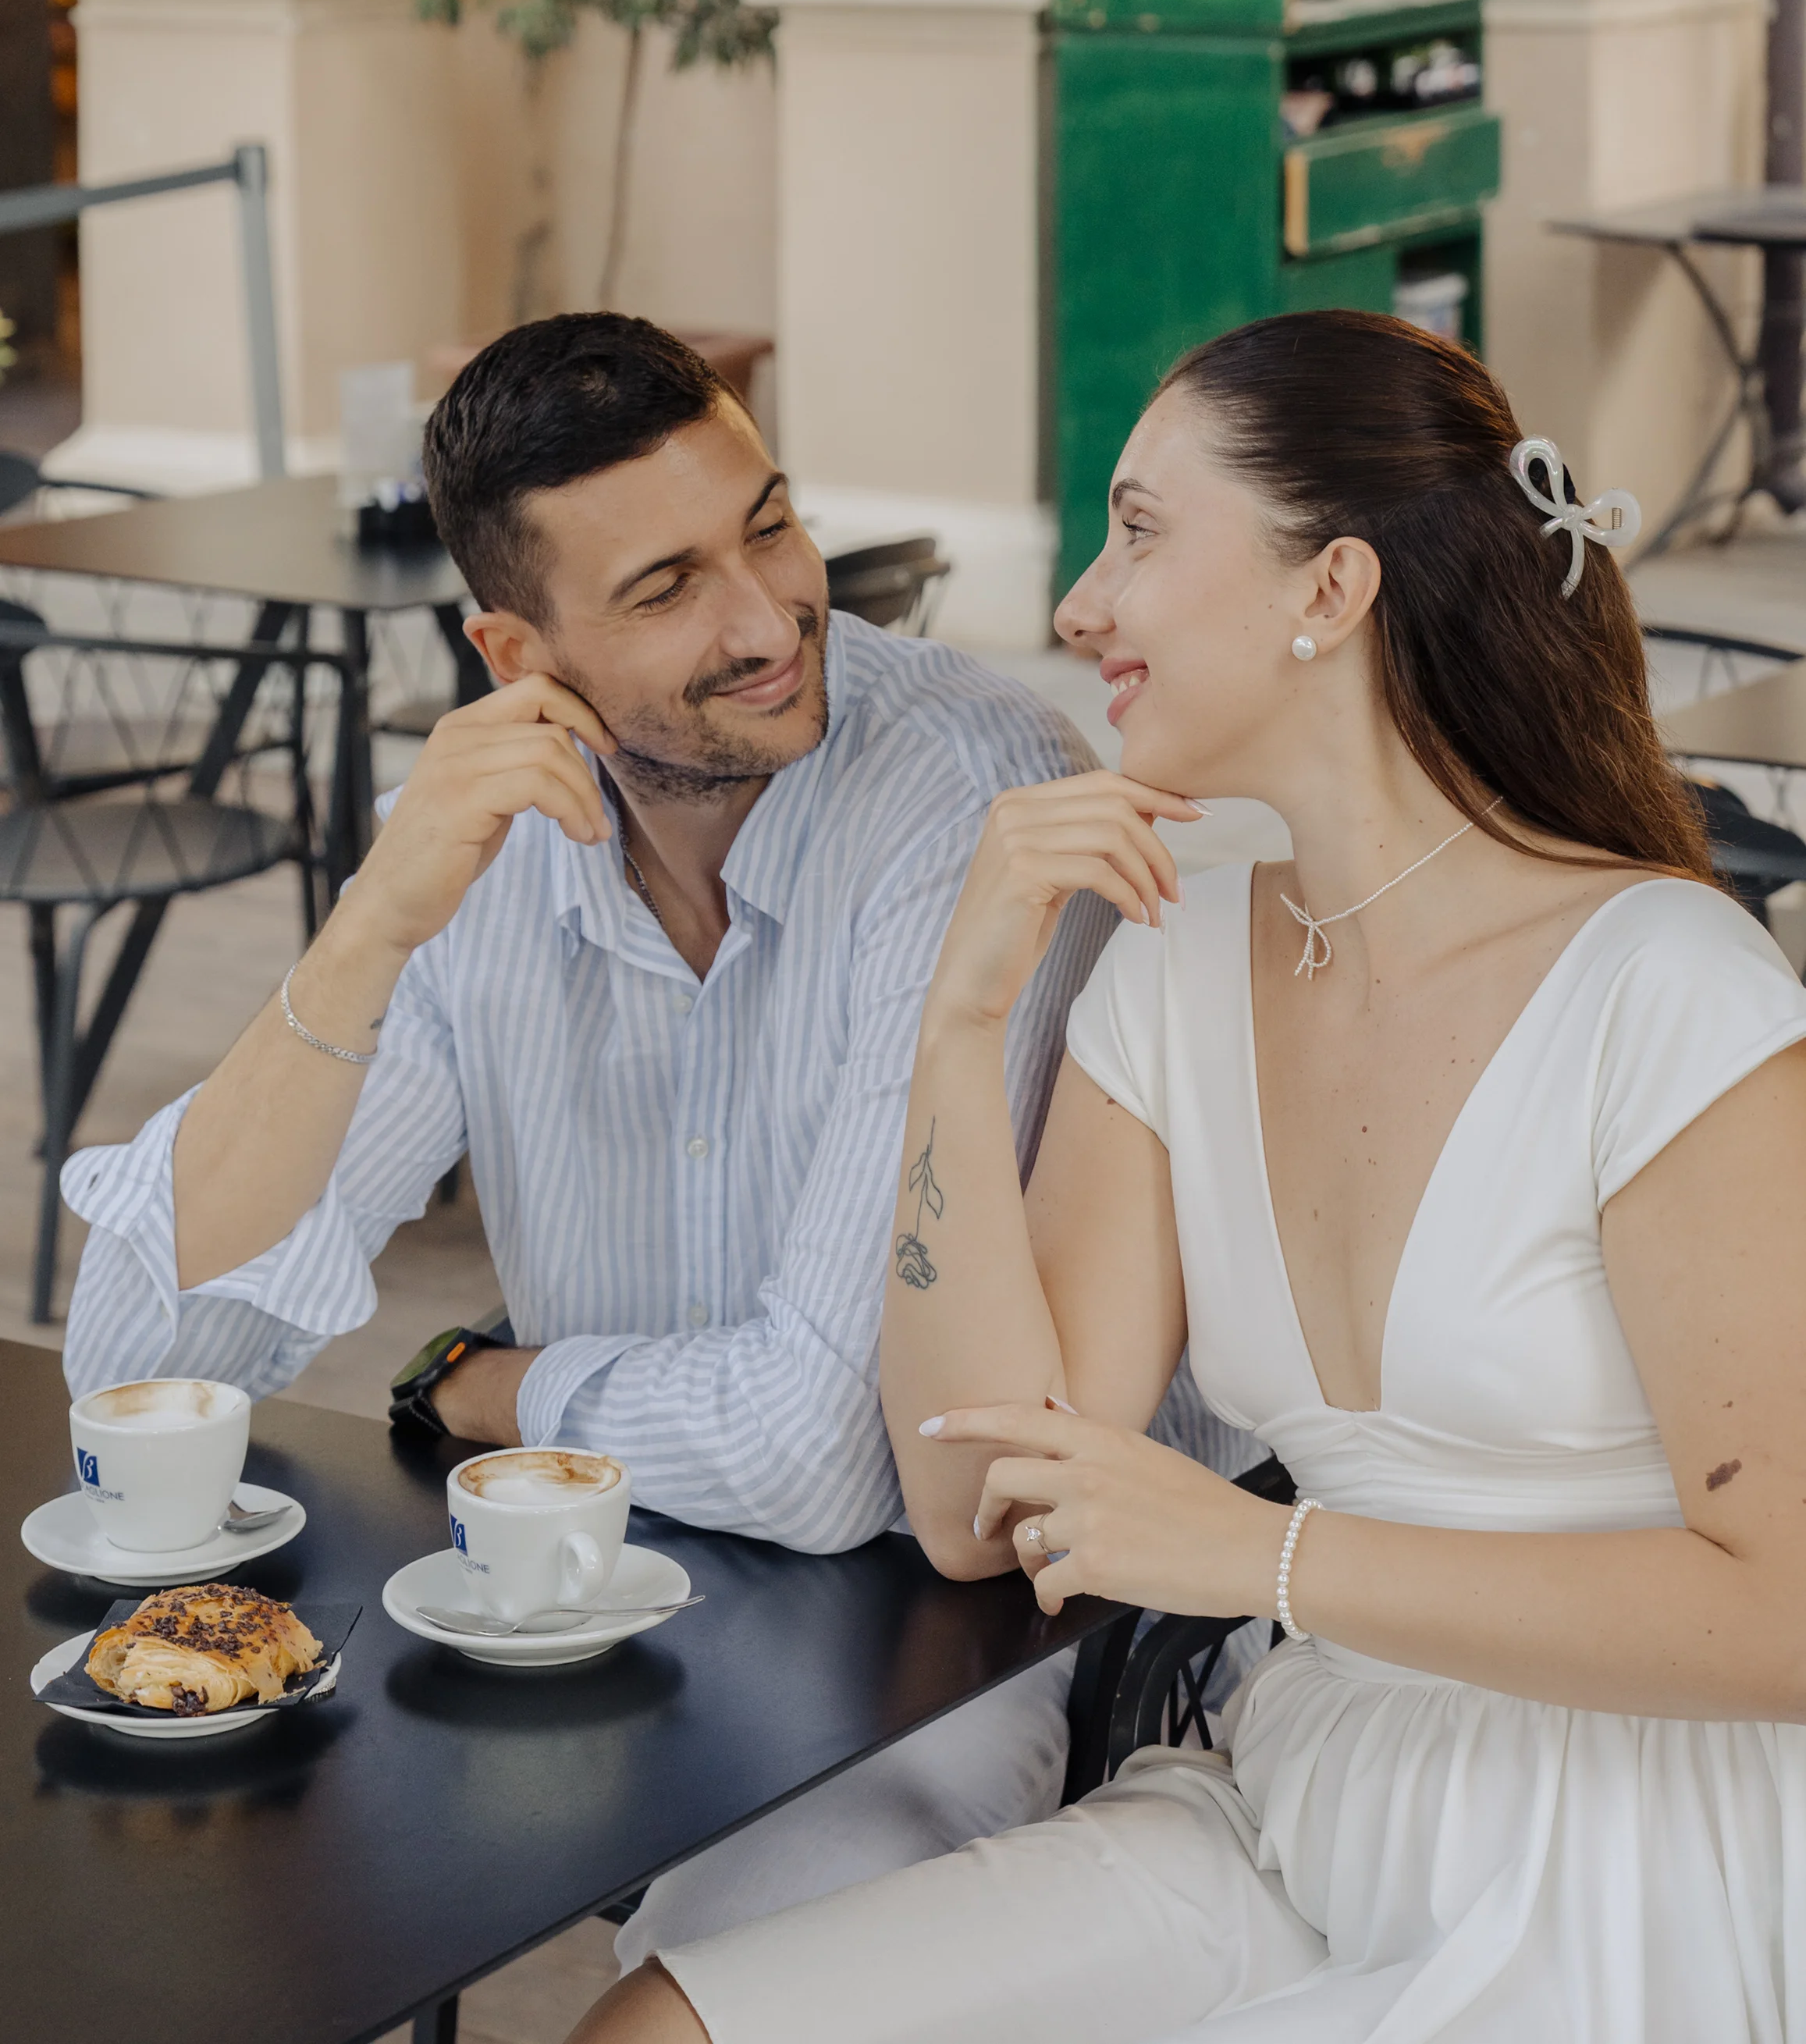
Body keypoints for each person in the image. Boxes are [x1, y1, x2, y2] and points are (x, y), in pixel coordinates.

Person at [574, 309, 1806, 2044]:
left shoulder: (1661, 985)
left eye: (1140, 534)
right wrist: (960, 1016)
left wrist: (1266, 1557)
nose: (1080, 606)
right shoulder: (1173, 953)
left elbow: (1784, 1612)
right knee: (660, 2029)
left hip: (1625, 1856)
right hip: (1299, 1804)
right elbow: (975, 1505)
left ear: (1330, 590)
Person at [59, 311, 1157, 1961]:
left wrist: (497, 1384)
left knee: (715, 1965)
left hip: (938, 1638)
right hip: (568, 1585)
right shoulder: (477, 848)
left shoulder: (968, 797)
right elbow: (148, 1367)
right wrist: (367, 931)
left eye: (767, 524)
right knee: (195, 1890)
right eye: (664, 589)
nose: (771, 617)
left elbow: (829, 1453)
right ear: (518, 657)